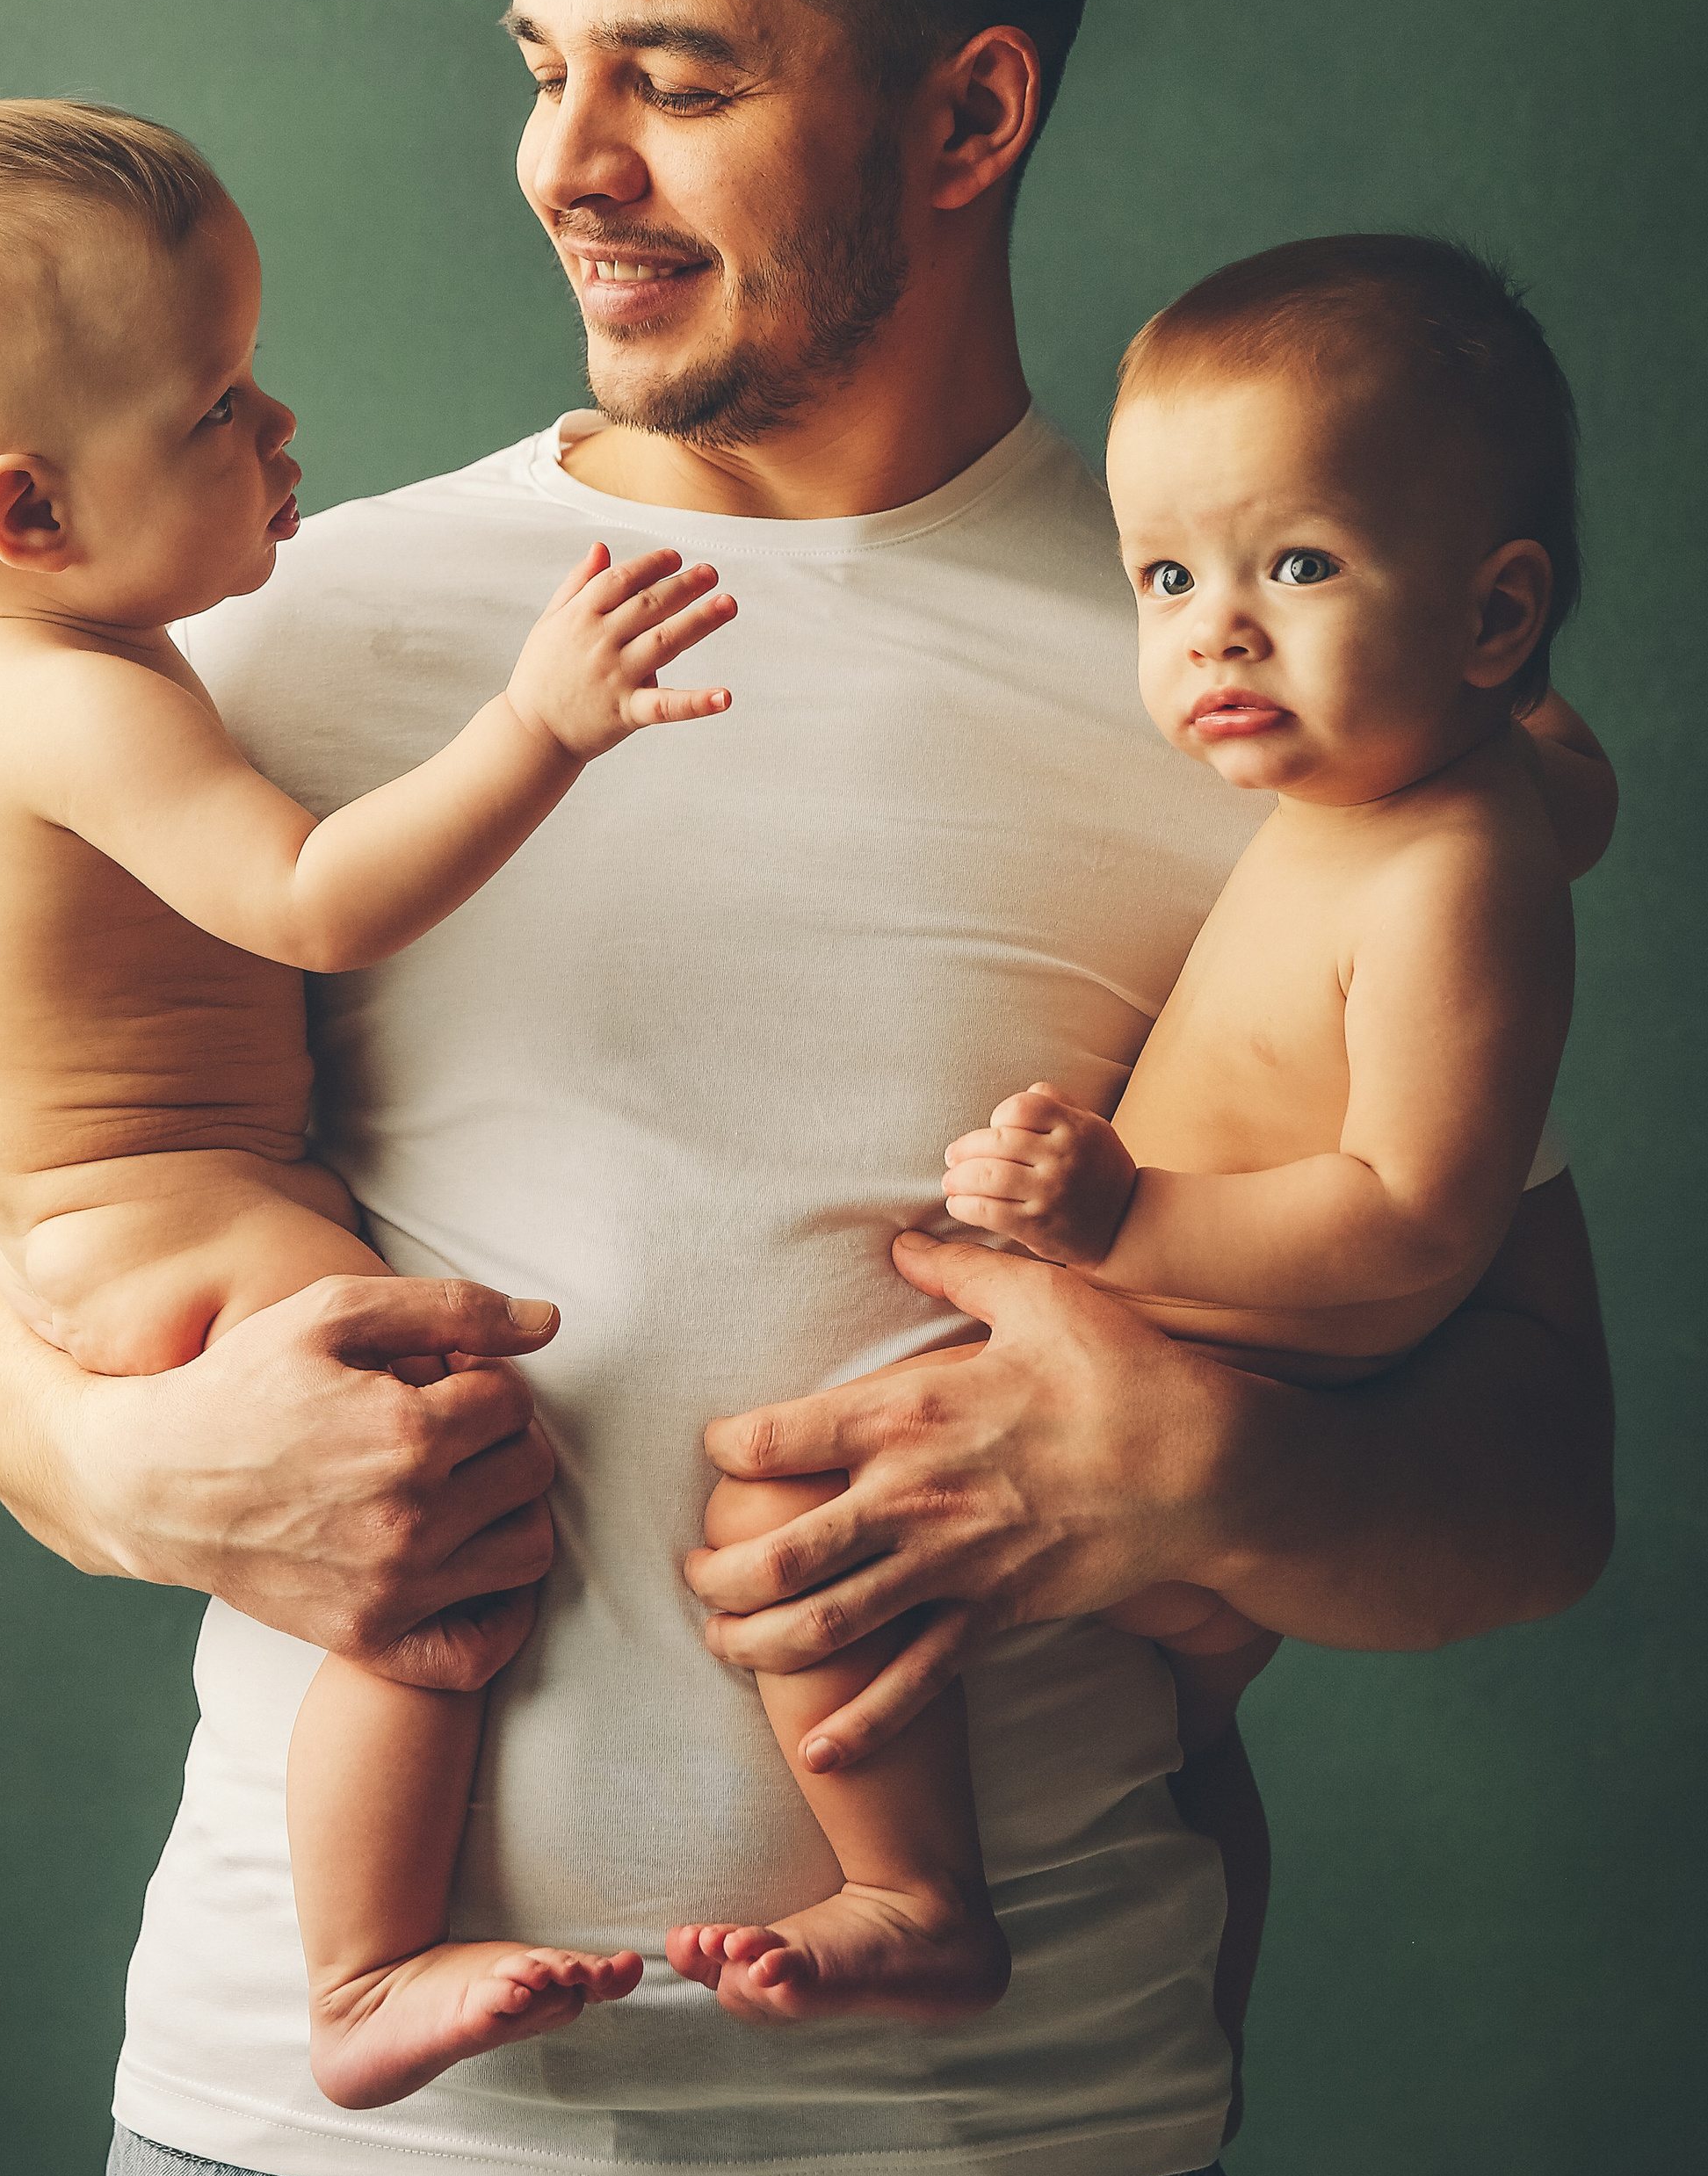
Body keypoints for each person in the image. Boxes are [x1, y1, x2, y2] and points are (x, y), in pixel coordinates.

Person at [0, 0, 1617, 2176]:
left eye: (676, 83)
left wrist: (1218, 1462)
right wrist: (125, 1458)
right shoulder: (271, 636)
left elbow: (1540, 1481)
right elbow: (39, 1235)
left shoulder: (1273, 677)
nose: (561, 167)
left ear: (964, 123)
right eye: (539, 67)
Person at [0, 102, 740, 2106]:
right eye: (213, 414)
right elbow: (309, 890)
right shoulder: (71, 695)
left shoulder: (3, 658)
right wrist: (537, 729)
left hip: (133, 1217)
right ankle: (364, 1971)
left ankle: (371, 1960)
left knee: (435, 1504)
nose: (281, 432)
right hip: (174, 1212)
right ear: (26, 513)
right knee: (443, 1520)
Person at [673, 232, 1606, 2046]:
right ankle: (1205, 2020)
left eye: (1300, 564)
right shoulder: (1449, 783)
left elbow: (1412, 1223)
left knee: (777, 1505)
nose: (1210, 633)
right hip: (1177, 1390)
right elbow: (1570, 771)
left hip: (1224, 1370)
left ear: (1491, 616)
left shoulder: (1446, 871)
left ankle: (914, 1892)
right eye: (1165, 575)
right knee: (1191, 1770)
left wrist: (1119, 1220)